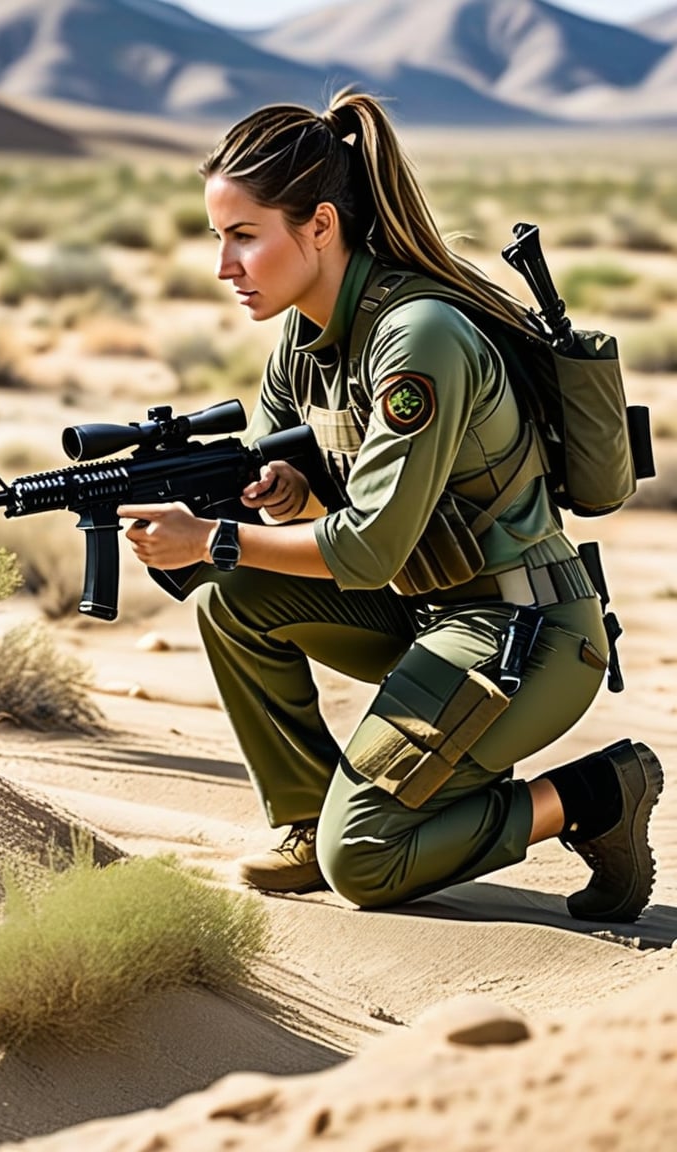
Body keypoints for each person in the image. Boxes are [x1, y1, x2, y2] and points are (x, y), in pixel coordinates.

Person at [118, 88, 663, 923]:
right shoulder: (303, 341)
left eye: (243, 237)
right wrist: (281, 495)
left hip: (524, 630)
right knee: (232, 601)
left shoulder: (419, 338)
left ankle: (595, 794)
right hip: (420, 611)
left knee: (365, 861)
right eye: (217, 238)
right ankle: (306, 821)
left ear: (321, 227)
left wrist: (214, 538)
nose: (223, 266)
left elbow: (367, 549)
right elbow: (290, 485)